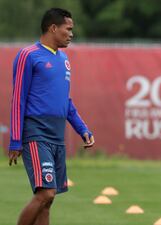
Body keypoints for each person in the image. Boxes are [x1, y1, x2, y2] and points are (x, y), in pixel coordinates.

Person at [8, 8, 95, 225]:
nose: (72, 34)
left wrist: (82, 129)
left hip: (57, 136)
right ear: (53, 28)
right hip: (36, 133)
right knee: (45, 193)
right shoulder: (28, 55)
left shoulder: (64, 60)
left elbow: (65, 101)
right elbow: (18, 99)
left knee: (48, 201)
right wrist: (16, 139)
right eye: (69, 29)